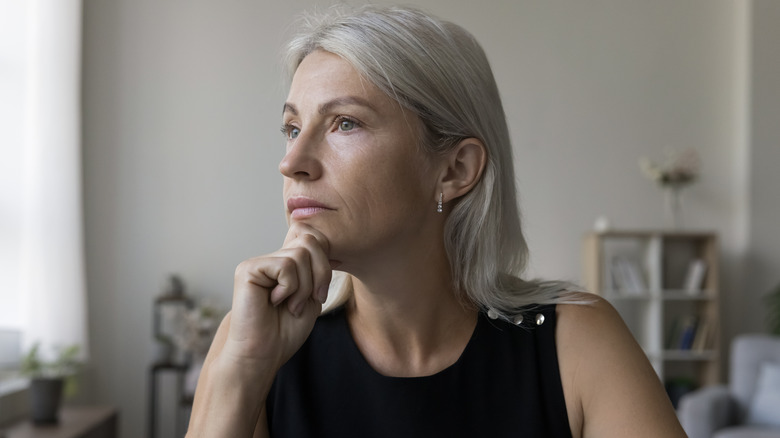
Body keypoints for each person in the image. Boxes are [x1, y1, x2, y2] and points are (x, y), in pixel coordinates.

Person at [187, 5, 686, 437]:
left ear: (455, 169)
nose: (292, 160)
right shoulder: (254, 350)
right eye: (292, 128)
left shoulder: (577, 343)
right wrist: (241, 372)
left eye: (344, 123)